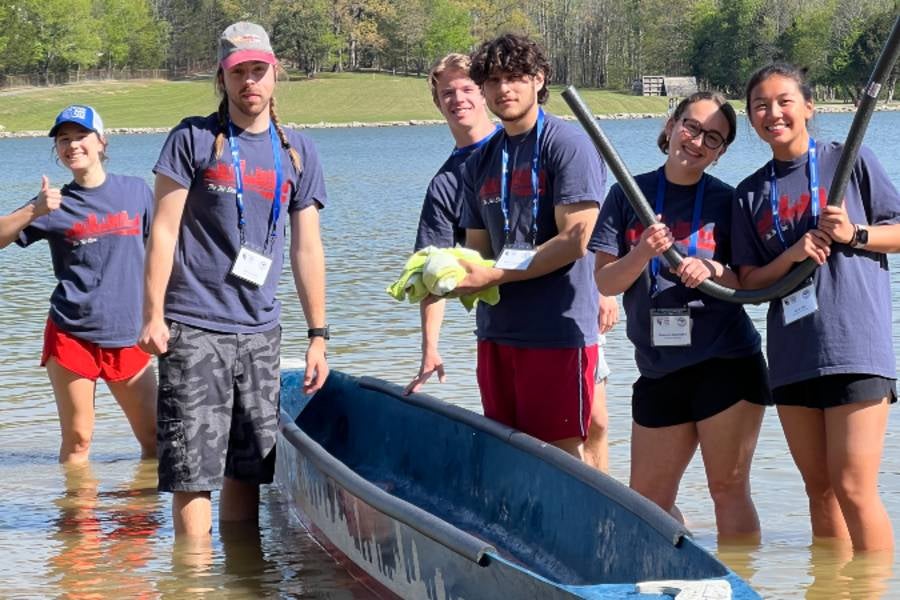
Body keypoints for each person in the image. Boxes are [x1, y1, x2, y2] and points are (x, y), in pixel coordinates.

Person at [139, 22, 329, 537]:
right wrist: (153, 315)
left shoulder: (298, 152)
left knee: (249, 467)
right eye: (238, 71)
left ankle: (246, 582)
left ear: (274, 74)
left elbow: (307, 247)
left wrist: (319, 335)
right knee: (192, 471)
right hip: (195, 326)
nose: (250, 81)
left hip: (262, 332)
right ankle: (194, 582)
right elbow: (162, 230)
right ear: (222, 78)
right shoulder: (194, 138)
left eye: (258, 70)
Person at [407, 51, 617, 471]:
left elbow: (577, 240)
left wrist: (493, 273)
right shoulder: (478, 163)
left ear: (539, 79)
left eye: (516, 77)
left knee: (568, 451)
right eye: (494, 80)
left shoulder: (567, 143)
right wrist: (446, 276)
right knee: (511, 452)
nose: (504, 89)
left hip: (557, 330)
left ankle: (588, 533)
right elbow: (479, 248)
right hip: (498, 331)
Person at [731, 63, 899, 552]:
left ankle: (872, 588)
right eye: (760, 105)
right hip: (793, 354)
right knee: (819, 491)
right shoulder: (749, 193)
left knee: (853, 486)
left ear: (809, 106)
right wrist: (792, 254)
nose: (773, 113)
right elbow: (749, 282)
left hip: (854, 346)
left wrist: (856, 234)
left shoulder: (849, 160)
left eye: (784, 101)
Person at [590, 92, 771, 539]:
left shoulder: (728, 201)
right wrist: (642, 252)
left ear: (722, 151)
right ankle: (682, 566)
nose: (697, 141)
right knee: (646, 504)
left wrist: (712, 269)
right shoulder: (626, 194)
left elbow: (750, 282)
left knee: (727, 488)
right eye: (692, 126)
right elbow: (606, 283)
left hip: (725, 363)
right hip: (659, 368)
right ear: (671, 125)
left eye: (714, 137)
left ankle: (740, 585)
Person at [0, 105, 157, 465]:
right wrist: (32, 212)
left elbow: (164, 252)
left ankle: (140, 518)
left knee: (155, 439)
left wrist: (162, 314)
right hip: (72, 334)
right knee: (78, 441)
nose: (72, 146)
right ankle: (76, 520)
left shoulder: (135, 192)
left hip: (129, 333)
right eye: (63, 140)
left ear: (102, 141)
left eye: (81, 136)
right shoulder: (52, 204)